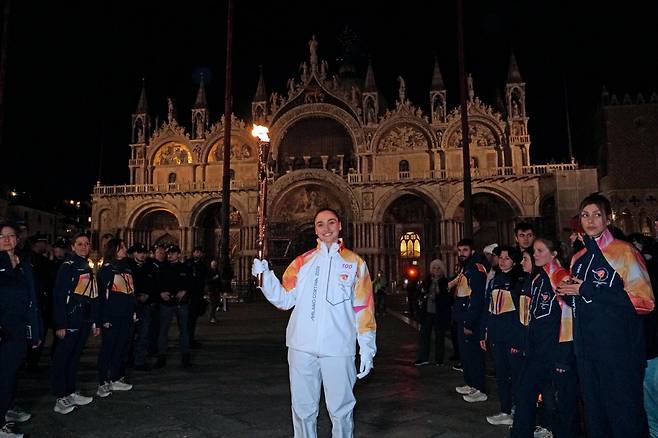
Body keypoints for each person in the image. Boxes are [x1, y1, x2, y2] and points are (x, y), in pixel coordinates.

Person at [251, 208, 376, 438]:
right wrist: (265, 277)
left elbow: (364, 308)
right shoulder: (302, 262)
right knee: (303, 409)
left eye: (330, 223)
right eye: (320, 224)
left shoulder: (355, 263)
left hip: (338, 349)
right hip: (301, 347)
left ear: (339, 225)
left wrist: (367, 347)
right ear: (315, 229)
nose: (326, 228)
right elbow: (284, 299)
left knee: (341, 410)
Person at [558, 193, 655, 437]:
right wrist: (569, 293)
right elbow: (579, 302)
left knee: (625, 415)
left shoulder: (624, 252)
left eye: (597, 214)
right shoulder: (579, 258)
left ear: (608, 218)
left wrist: (588, 290)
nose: (590, 220)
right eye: (585, 215)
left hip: (618, 352)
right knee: (595, 415)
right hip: (587, 351)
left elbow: (644, 302)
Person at [512, 238, 578, 438]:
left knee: (558, 405)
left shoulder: (559, 275)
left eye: (540, 250)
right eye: (534, 251)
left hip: (555, 350)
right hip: (536, 351)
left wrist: (564, 355)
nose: (535, 254)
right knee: (524, 397)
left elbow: (570, 313)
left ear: (554, 253)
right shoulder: (538, 279)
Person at [0, 223, 42, 438]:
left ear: (17, 239)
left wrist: (35, 331)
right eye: (2, 236)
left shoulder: (24, 263)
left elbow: (32, 299)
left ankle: (7, 408)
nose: (7, 239)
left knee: (14, 371)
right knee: (3, 374)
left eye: (11, 236)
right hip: (3, 328)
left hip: (19, 327)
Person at [51, 233, 100, 415]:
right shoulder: (68, 266)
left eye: (86, 244)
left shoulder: (86, 266)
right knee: (63, 358)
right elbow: (59, 296)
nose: (83, 247)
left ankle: (70, 391)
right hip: (71, 318)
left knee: (74, 357)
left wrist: (95, 320)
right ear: (73, 247)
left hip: (84, 319)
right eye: (79, 244)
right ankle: (60, 397)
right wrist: (60, 323)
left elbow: (93, 295)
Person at [480, 246, 522, 426]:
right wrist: (485, 332)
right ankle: (505, 409)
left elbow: (521, 312)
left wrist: (518, 338)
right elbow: (489, 308)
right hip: (497, 334)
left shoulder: (518, 280)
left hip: (511, 335)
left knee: (515, 374)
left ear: (514, 260)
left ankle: (518, 410)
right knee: (502, 374)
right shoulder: (495, 278)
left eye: (507, 258)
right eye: (501, 257)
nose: (503, 260)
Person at [96, 239, 135, 398]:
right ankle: (102, 382)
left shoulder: (127, 268)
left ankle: (116, 377)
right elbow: (101, 296)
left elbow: (130, 291)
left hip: (126, 315)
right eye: (122, 247)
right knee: (108, 348)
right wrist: (103, 317)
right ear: (114, 250)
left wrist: (133, 311)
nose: (125, 249)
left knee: (121, 347)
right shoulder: (107, 269)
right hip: (112, 316)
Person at [451, 238, 488, 403]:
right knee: (465, 354)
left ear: (472, 251)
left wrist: (469, 322)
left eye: (465, 250)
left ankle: (479, 387)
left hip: (469, 318)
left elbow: (477, 297)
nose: (461, 254)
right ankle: (471, 383)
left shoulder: (475, 268)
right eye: (459, 251)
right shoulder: (466, 267)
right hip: (462, 316)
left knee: (473, 355)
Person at [154, 245, 192, 369]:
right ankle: (161, 357)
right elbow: (157, 282)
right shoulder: (162, 267)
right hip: (167, 303)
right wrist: (161, 293)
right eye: (169, 253)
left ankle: (185, 357)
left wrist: (185, 291)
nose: (170, 255)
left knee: (184, 331)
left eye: (173, 253)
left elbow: (192, 283)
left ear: (179, 254)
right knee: (163, 330)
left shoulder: (185, 268)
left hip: (181, 303)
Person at [415, 259, 451, 366]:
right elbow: (419, 293)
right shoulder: (427, 281)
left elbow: (448, 298)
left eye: (438, 268)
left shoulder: (445, 282)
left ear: (442, 270)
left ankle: (439, 359)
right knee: (424, 335)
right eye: (434, 268)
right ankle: (423, 357)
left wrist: (439, 293)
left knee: (439, 336)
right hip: (427, 312)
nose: (436, 270)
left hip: (439, 313)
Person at [128, 243, 152, 371]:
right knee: (129, 334)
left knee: (144, 333)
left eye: (144, 252)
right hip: (132, 304)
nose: (142, 255)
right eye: (139, 252)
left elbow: (154, 282)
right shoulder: (128, 266)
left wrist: (148, 294)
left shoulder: (149, 266)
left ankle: (140, 361)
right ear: (134, 253)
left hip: (145, 304)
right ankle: (128, 359)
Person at [186, 246, 208, 348]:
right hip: (188, 295)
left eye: (200, 252)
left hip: (198, 295)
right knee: (187, 320)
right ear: (193, 253)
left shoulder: (203, 265)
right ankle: (187, 340)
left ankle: (190, 339)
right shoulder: (188, 264)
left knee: (193, 319)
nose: (198, 254)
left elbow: (205, 278)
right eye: (197, 252)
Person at [207, 259, 222, 323]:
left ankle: (213, 316)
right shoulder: (209, 272)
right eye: (213, 265)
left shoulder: (217, 271)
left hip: (217, 289)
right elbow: (207, 281)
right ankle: (211, 317)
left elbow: (219, 281)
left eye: (215, 265)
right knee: (212, 304)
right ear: (211, 265)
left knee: (216, 303)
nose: (215, 266)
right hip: (211, 289)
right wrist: (213, 278)